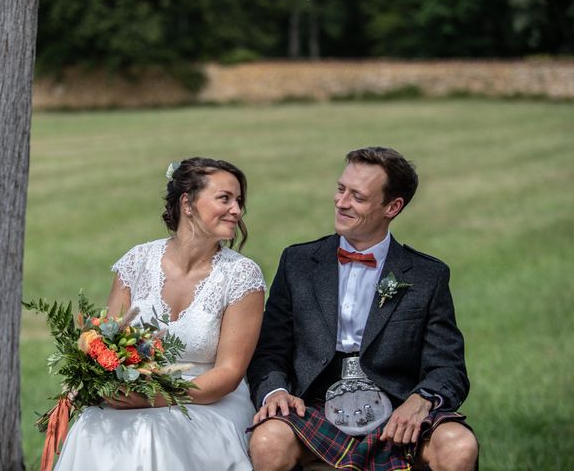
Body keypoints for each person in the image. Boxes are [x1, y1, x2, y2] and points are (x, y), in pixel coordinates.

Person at [247, 147, 479, 471]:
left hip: (399, 410)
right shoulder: (298, 262)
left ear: (392, 206)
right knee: (268, 441)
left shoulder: (427, 275)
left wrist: (422, 399)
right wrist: (275, 391)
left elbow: (449, 367)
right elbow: (269, 350)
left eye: (357, 196)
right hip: (313, 405)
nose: (341, 202)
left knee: (459, 445)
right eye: (341, 189)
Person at [55, 157, 266, 470]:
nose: (236, 210)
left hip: (209, 400)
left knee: (153, 433)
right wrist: (106, 384)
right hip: (136, 391)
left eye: (239, 201)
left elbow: (229, 374)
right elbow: (108, 343)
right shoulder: (137, 261)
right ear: (187, 203)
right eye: (225, 198)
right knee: (91, 425)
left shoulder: (242, 276)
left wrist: (154, 399)